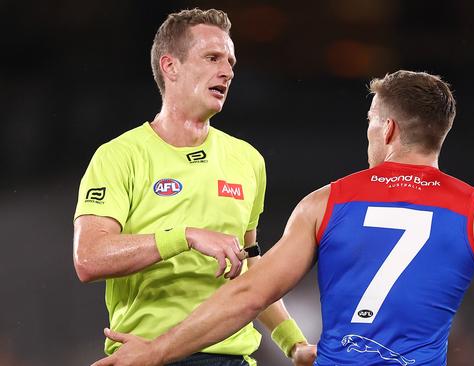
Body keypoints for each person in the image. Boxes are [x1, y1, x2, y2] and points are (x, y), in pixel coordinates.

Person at [91, 70, 474, 366]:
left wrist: (155, 352)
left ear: (386, 130)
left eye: (369, 121)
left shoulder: (325, 203)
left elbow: (245, 296)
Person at [73, 8, 315, 366]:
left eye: (230, 61)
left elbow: (251, 269)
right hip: (146, 355)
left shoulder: (247, 159)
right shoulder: (118, 156)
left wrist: (293, 342)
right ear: (171, 67)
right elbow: (89, 258)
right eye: (212, 57)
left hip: (232, 357)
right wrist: (183, 236)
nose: (228, 71)